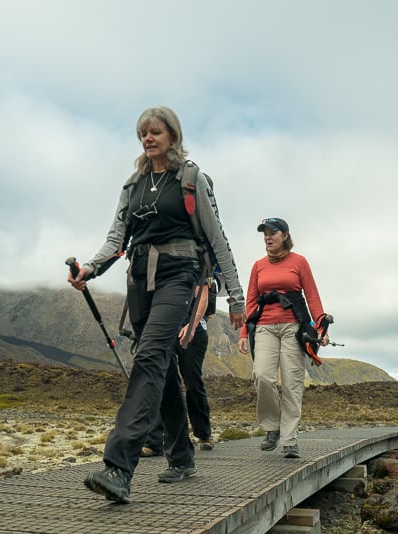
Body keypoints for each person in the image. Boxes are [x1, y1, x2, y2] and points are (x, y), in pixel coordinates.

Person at [69, 106, 245, 503]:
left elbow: (218, 240)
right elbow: (116, 237)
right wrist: (90, 269)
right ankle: (181, 456)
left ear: (173, 136)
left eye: (156, 132)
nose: (148, 139)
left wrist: (236, 297)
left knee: (149, 357)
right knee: (161, 371)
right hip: (139, 279)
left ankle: (119, 466)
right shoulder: (132, 186)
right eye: (142, 134)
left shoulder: (191, 179)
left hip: (179, 275)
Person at [237, 217, 329, 459]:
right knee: (263, 377)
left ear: (285, 235)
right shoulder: (258, 265)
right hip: (265, 327)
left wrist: (321, 327)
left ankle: (289, 440)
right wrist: (245, 331)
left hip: (293, 327)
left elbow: (312, 296)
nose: (268, 237)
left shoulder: (299, 262)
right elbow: (251, 301)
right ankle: (272, 428)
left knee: (292, 382)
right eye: (265, 234)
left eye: (273, 233)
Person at [141, 280, 216, 456]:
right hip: (166, 331)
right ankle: (153, 442)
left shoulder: (194, 261)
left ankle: (204, 434)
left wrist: (192, 324)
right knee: (161, 382)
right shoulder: (158, 266)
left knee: (192, 381)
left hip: (194, 333)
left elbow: (202, 296)